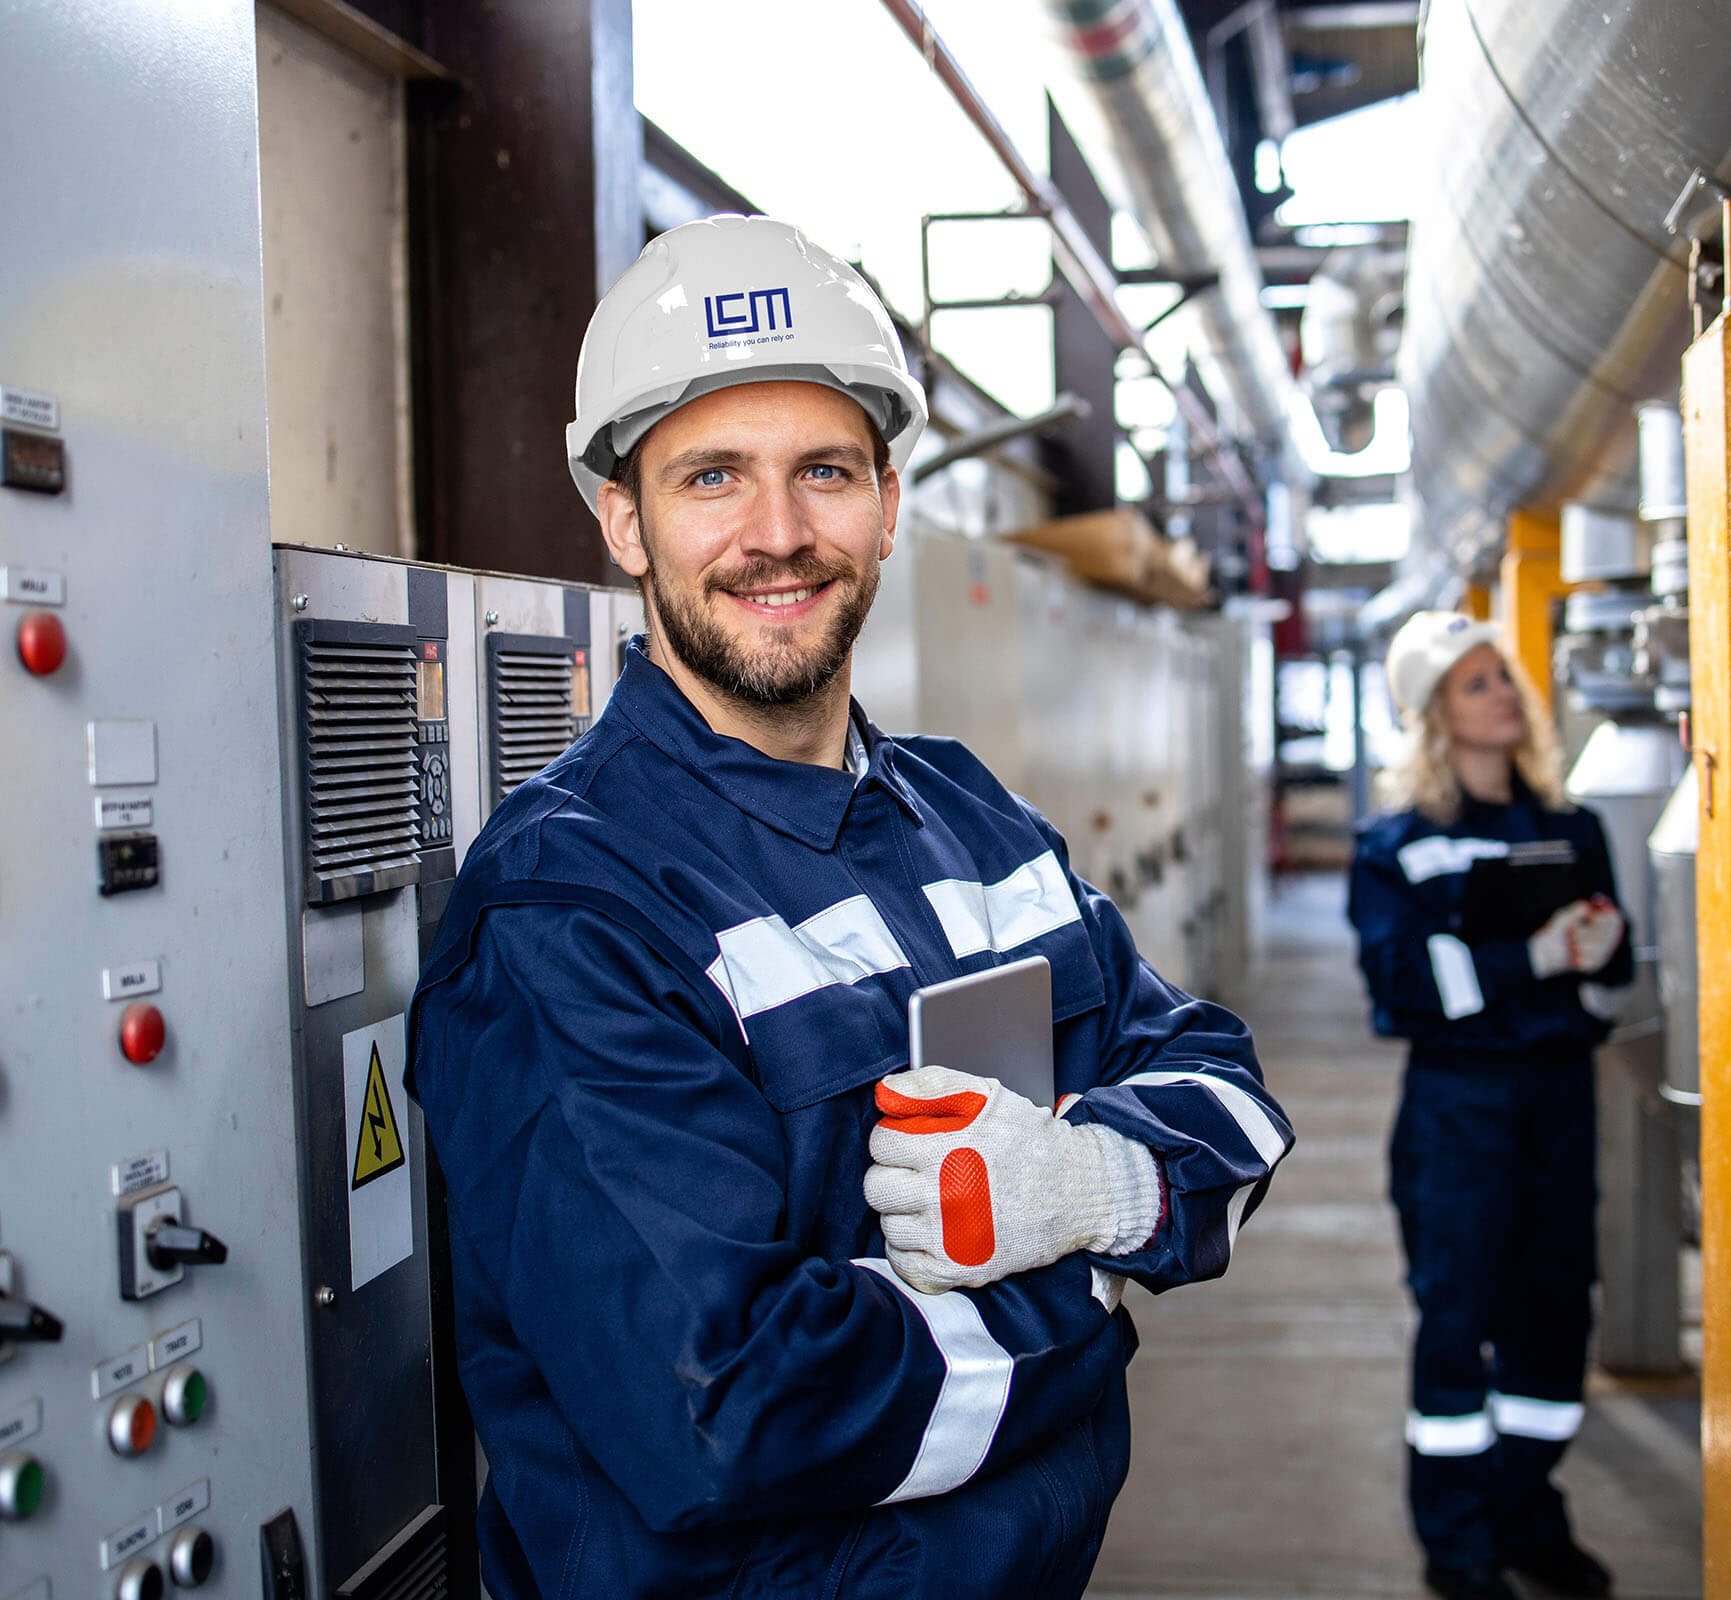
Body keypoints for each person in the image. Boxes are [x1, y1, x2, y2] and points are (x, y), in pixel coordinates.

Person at [406, 214, 1292, 1600]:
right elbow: (729, 1415)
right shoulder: (567, 910)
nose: (777, 536)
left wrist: (1091, 1182)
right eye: (714, 478)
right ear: (625, 522)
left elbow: (1225, 1094)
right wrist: (1099, 1274)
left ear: (887, 504)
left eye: (822, 470)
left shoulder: (968, 815)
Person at [1346, 612, 1632, 1600]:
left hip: (1560, 1096)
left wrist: (1597, 954)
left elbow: (1615, 975)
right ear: (1432, 715)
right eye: (1474, 684)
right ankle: (1459, 1545)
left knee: (1554, 1314)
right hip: (1458, 1107)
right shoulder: (1397, 846)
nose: (1502, 694)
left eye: (1503, 677)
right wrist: (1532, 959)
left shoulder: (1571, 826)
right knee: (1459, 1317)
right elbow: (1402, 984)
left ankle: (1529, 1514)